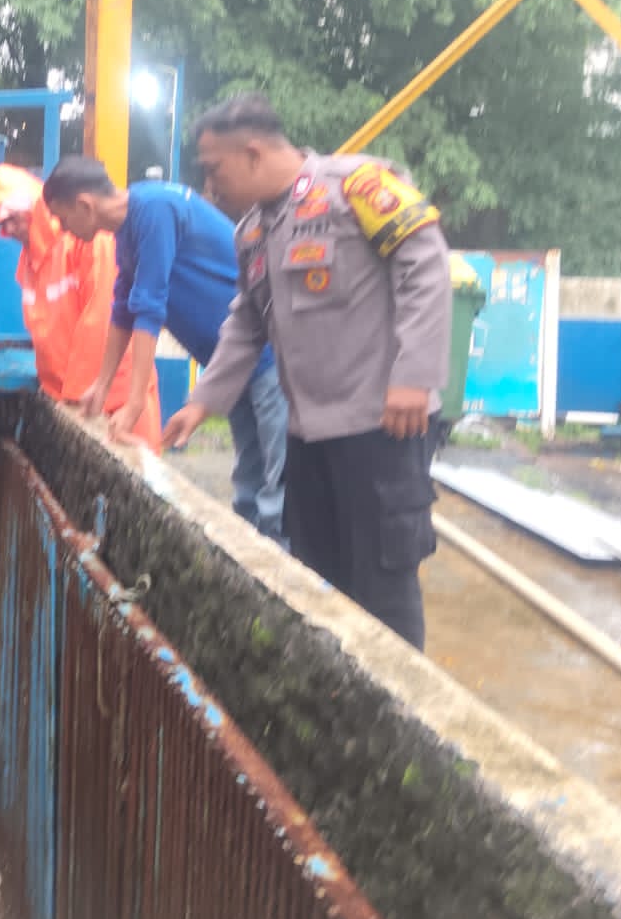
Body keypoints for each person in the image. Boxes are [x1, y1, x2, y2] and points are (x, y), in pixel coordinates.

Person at [163, 92, 453, 649]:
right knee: (320, 575)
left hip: (382, 428)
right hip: (309, 435)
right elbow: (247, 321)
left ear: (252, 153)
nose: (210, 185)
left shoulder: (356, 188)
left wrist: (413, 375)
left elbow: (426, 262)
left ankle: (395, 719)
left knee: (383, 582)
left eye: (214, 168)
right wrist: (202, 403)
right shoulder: (252, 230)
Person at [40, 156, 289, 544]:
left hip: (269, 358)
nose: (64, 230)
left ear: (84, 205)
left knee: (278, 492)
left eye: (62, 217)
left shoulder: (155, 209)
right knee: (248, 486)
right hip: (231, 365)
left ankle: (289, 589)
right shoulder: (127, 227)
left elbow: (149, 305)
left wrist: (135, 401)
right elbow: (123, 307)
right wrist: (101, 386)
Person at [0, 163, 162, 451]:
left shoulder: (88, 240)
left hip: (115, 406)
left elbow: (102, 318)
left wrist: (76, 398)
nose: (10, 229)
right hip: (73, 404)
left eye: (14, 218)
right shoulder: (29, 264)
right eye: (2, 225)